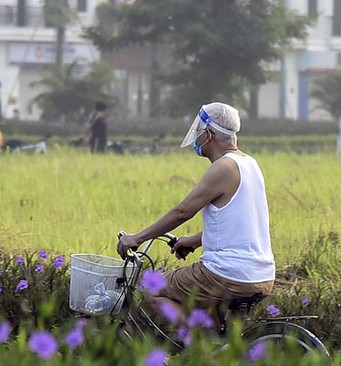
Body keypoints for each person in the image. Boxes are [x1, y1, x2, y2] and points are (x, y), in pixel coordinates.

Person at [116, 102, 275, 331]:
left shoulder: (223, 168)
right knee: (224, 335)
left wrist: (137, 238)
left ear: (208, 134)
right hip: (261, 274)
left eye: (198, 133)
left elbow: (183, 211)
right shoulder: (250, 164)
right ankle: (219, 355)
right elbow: (237, 223)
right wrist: (192, 241)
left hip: (227, 273)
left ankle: (197, 341)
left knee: (151, 288)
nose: (195, 139)